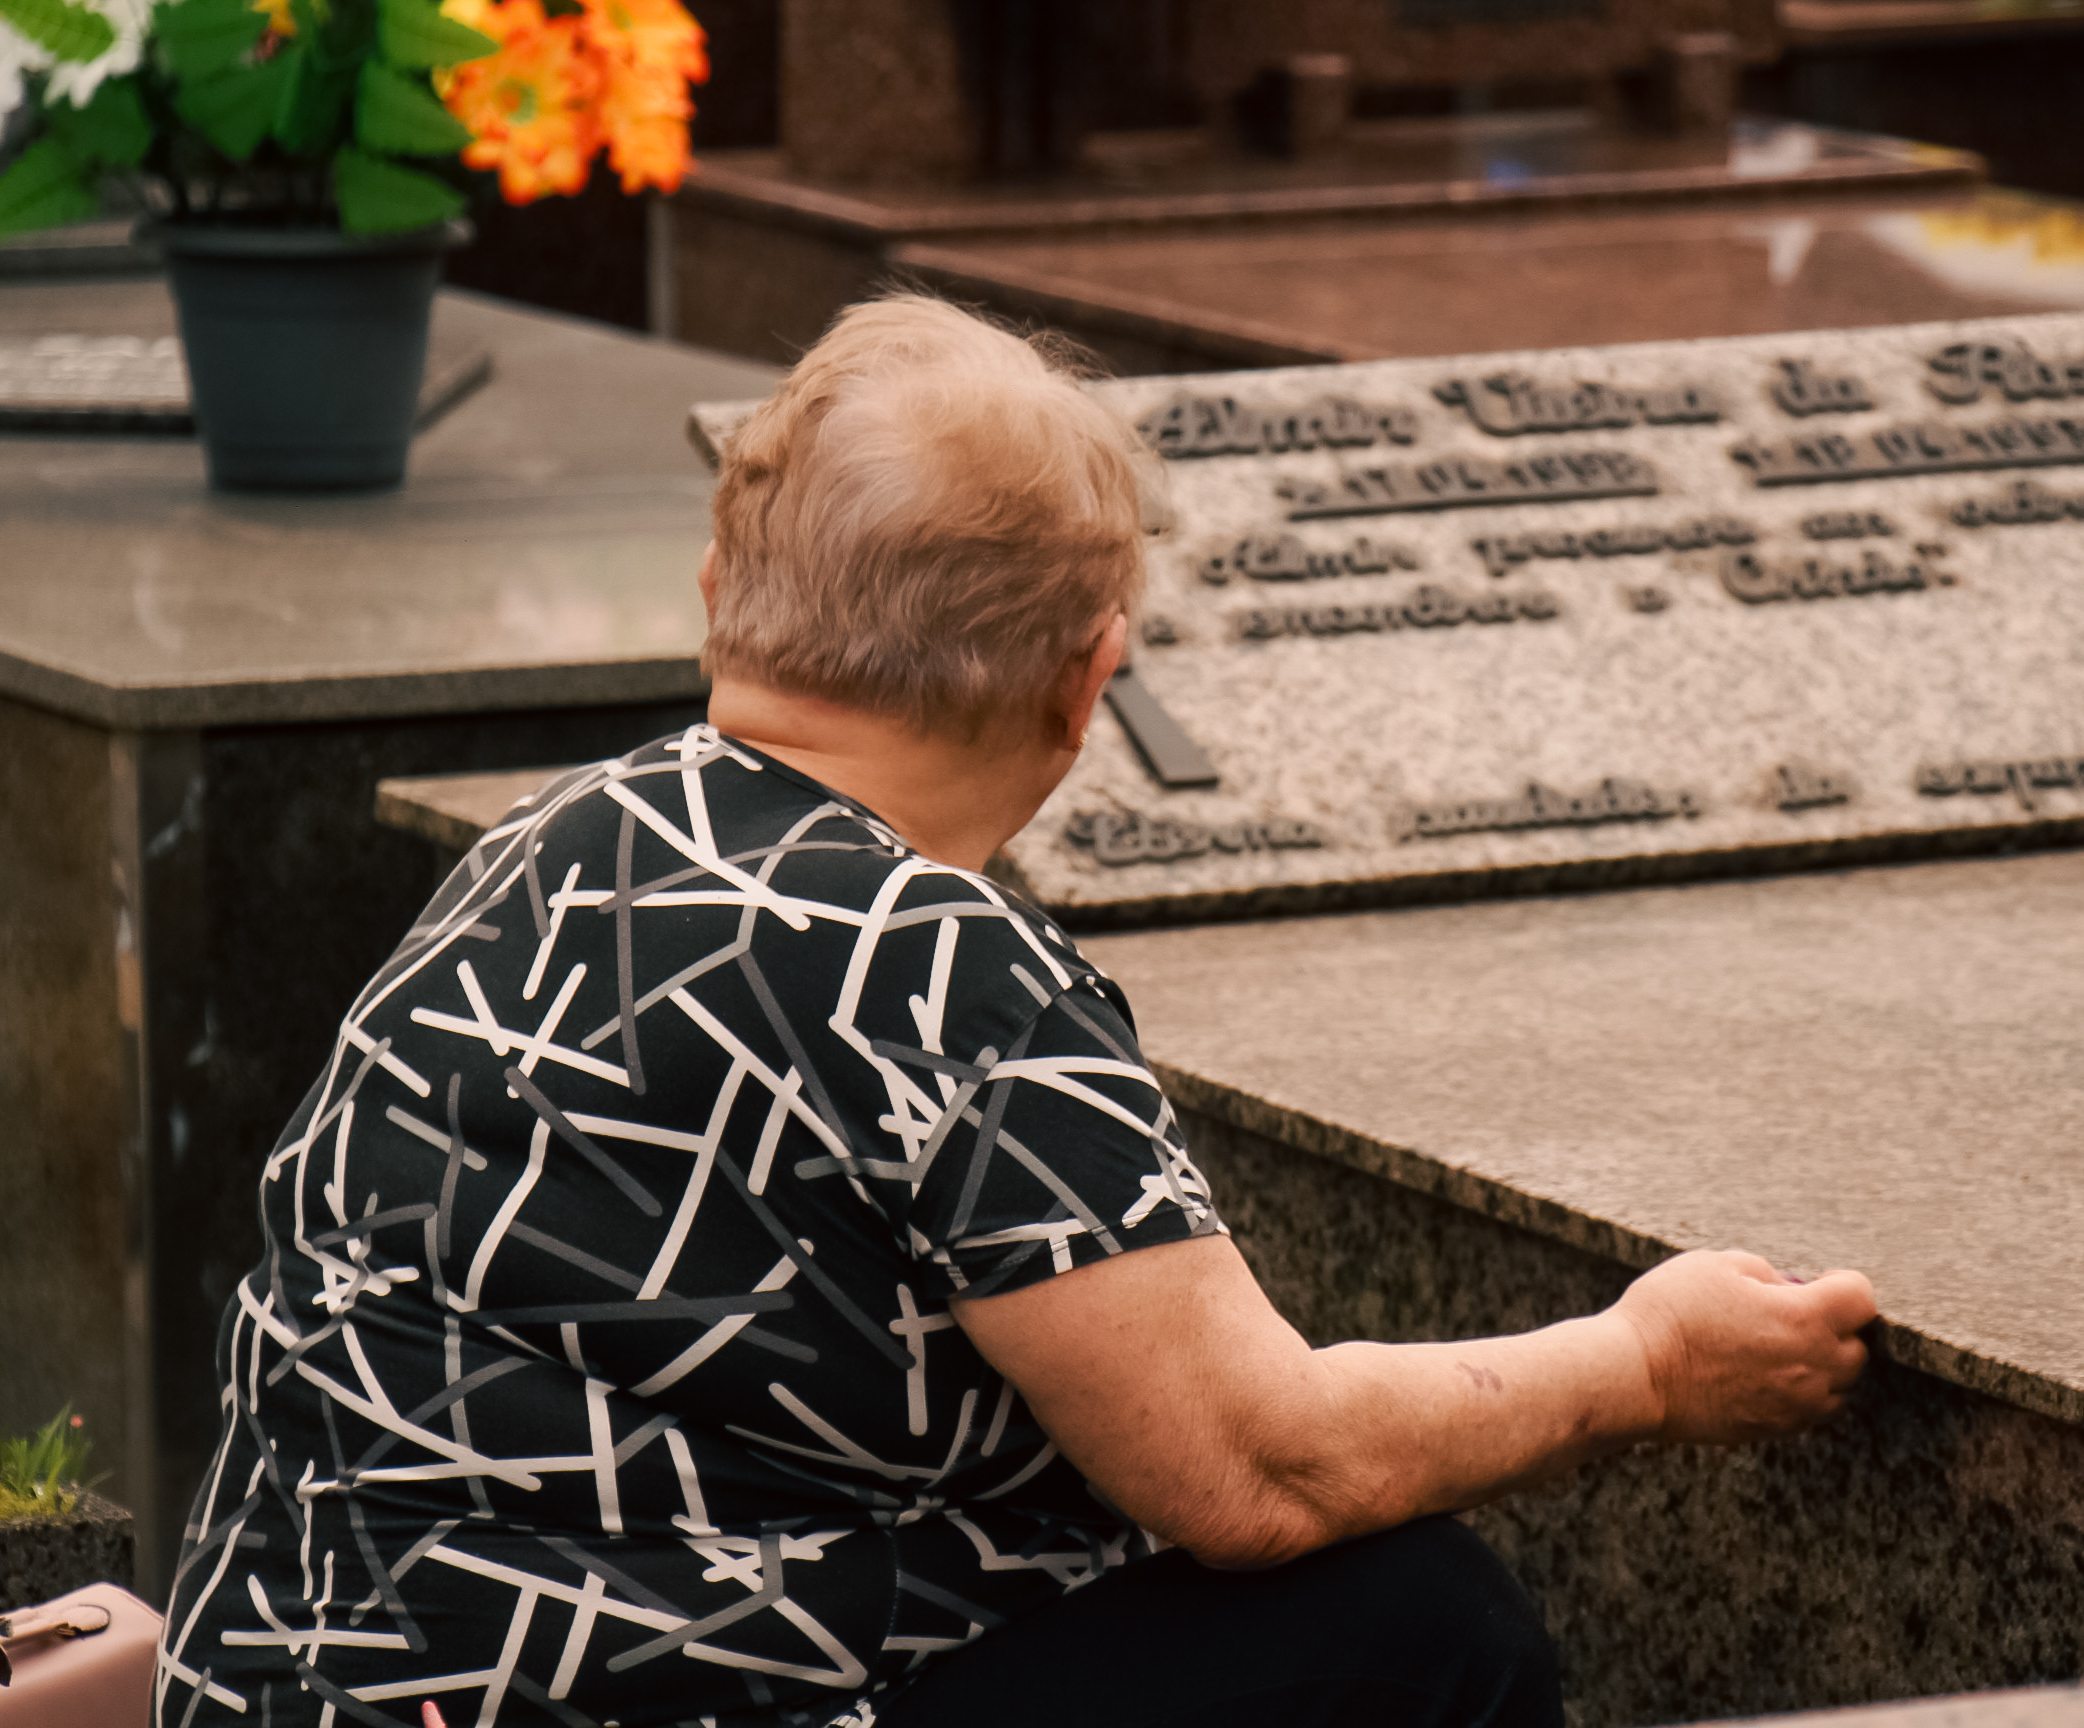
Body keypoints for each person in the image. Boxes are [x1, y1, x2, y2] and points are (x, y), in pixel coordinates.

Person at [155, 294, 1879, 1728]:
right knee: (1427, 1631)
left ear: (721, 592)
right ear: (1089, 677)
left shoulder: (554, 840)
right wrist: (1643, 1363)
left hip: (290, 1680)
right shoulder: (934, 964)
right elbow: (1252, 1471)